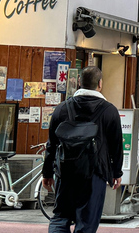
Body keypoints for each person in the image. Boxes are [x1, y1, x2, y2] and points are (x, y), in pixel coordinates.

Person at [42, 66, 123, 233]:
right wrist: (117, 173)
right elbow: (116, 145)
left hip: (65, 172)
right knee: (86, 223)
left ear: (80, 82)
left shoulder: (62, 108)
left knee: (60, 217)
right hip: (95, 173)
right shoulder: (109, 111)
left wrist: (47, 173)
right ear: (100, 84)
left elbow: (51, 144)